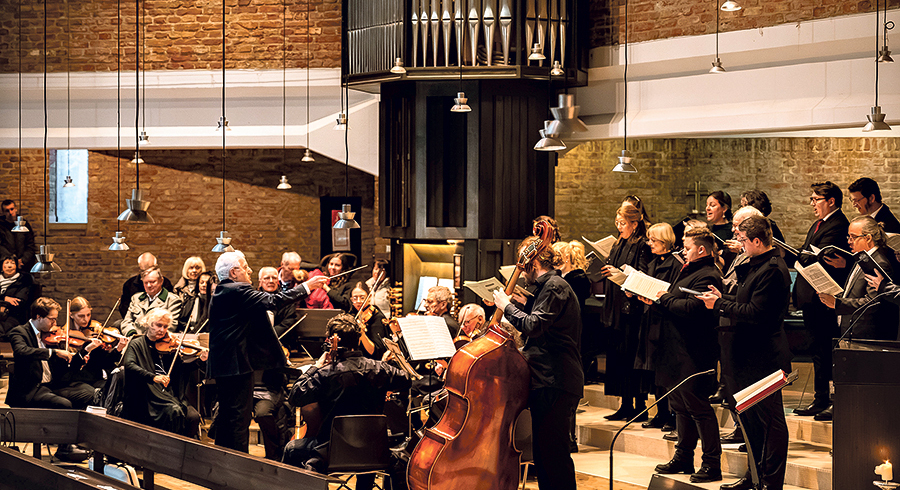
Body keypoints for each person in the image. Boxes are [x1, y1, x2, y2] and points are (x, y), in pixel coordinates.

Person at [698, 215, 792, 490]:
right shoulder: (755, 265)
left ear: (757, 241)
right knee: (750, 423)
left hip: (763, 359)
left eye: (742, 240)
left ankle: (771, 482)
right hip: (744, 357)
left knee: (770, 423)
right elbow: (744, 302)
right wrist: (723, 298)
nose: (738, 244)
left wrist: (718, 305)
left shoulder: (773, 270)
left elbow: (756, 313)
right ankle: (754, 476)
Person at [207, 250, 328, 453]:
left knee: (228, 418)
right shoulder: (236, 289)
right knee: (238, 419)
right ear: (234, 272)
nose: (250, 271)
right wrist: (307, 287)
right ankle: (237, 468)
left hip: (227, 365)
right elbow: (272, 301)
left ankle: (224, 464)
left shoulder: (225, 290)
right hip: (235, 366)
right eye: (245, 267)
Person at [492, 236, 582, 490]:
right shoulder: (548, 287)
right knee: (544, 457)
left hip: (556, 379)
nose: (521, 274)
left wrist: (507, 306)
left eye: (522, 267)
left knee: (554, 457)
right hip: (549, 379)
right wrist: (520, 304)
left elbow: (534, 326)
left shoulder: (554, 286)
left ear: (532, 263)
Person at [283, 313, 411, 489]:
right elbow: (406, 379)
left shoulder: (324, 373)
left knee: (292, 448)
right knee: (368, 449)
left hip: (330, 452)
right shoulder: (380, 369)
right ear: (358, 340)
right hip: (373, 451)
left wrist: (315, 367)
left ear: (330, 341)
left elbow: (295, 395)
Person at [645, 227, 723, 483]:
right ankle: (683, 457)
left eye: (687, 247)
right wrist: (656, 299)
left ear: (701, 249)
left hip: (695, 352)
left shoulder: (709, 274)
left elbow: (692, 308)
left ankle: (712, 464)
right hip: (676, 351)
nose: (682, 251)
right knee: (679, 406)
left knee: (698, 407)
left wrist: (663, 299)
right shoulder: (690, 270)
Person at [814, 216, 899, 423]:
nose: (849, 241)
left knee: (862, 391)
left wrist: (838, 304)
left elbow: (874, 302)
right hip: (854, 331)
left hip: (866, 333)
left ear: (868, 238)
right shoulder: (863, 258)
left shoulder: (878, 262)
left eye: (853, 237)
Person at [792, 181, 849, 417]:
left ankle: (826, 399)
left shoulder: (839, 224)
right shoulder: (818, 224)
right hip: (812, 296)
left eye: (816, 199)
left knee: (824, 350)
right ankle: (820, 398)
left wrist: (805, 256)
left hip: (824, 296)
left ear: (831, 201)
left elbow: (823, 255)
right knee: (817, 350)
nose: (812, 203)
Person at [600, 204, 652, 420]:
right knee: (618, 358)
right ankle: (625, 404)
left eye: (622, 223)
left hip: (632, 310)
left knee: (631, 357)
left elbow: (642, 272)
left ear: (634, 224)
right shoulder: (620, 241)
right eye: (617, 222)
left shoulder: (641, 244)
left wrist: (621, 274)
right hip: (615, 306)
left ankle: (638, 405)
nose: (618, 226)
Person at [120, 308, 206, 438]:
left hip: (168, 394)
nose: (162, 330)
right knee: (174, 411)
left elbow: (181, 372)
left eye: (165, 326)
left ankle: (185, 453)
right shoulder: (136, 343)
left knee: (192, 416)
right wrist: (154, 378)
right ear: (148, 324)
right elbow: (129, 365)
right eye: (158, 325)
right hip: (146, 395)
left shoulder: (170, 347)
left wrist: (201, 360)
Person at [633, 223, 682, 432]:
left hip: (665, 321)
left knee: (665, 371)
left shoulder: (675, 263)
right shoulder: (654, 261)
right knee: (653, 370)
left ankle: (672, 414)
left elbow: (672, 291)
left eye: (653, 240)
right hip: (649, 318)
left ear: (665, 241)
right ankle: (660, 412)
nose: (649, 244)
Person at [551, 240, 590, 452]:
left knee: (567, 388)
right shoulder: (561, 278)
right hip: (565, 336)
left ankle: (570, 438)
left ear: (565, 258)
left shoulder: (577, 279)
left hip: (573, 335)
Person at [5, 297, 75, 408]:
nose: (55, 323)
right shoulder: (19, 332)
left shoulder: (47, 335)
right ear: (39, 317)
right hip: (31, 389)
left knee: (87, 395)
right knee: (64, 404)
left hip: (51, 385)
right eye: (52, 319)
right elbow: (21, 351)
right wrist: (54, 352)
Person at [121, 266, 183, 337]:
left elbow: (171, 326)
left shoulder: (172, 300)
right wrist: (132, 334)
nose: (149, 285)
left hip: (157, 342)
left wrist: (148, 337)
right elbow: (126, 321)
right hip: (134, 338)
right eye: (145, 283)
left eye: (152, 282)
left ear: (161, 281)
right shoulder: (136, 298)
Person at [119, 252, 175, 318]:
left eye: (151, 269)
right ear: (139, 269)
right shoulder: (130, 284)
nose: (147, 273)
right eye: (144, 271)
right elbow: (125, 309)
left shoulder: (166, 283)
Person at [258, 266, 299, 350]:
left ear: (278, 281)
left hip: (282, 342)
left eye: (274, 278)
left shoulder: (288, 299)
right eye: (266, 278)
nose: (271, 281)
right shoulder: (252, 299)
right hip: (257, 343)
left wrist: (270, 334)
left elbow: (289, 321)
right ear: (260, 281)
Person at [348, 281, 391, 360]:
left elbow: (376, 352)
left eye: (362, 297)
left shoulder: (377, 318)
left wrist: (362, 333)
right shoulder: (351, 315)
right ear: (351, 299)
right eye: (355, 298)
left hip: (372, 362)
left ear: (369, 297)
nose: (358, 301)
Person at [0, 199, 37, 273]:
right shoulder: (1, 225)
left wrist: (22, 260)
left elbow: (30, 246)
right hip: (5, 265)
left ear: (15, 209)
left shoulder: (24, 225)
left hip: (24, 265)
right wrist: (12, 260)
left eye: (12, 209)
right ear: (3, 212)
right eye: (7, 211)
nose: (10, 212)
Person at [0, 254, 33, 336]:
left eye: (12, 263)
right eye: (7, 263)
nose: (9, 266)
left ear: (16, 266)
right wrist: (4, 298)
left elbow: (19, 302)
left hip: (13, 315)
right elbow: (9, 300)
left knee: (7, 332)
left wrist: (3, 306)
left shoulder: (24, 280)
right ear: (2, 266)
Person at [173, 256, 207, 333]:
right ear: (186, 270)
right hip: (181, 329)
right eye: (191, 268)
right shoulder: (178, 289)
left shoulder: (204, 289)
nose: (194, 271)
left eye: (197, 268)